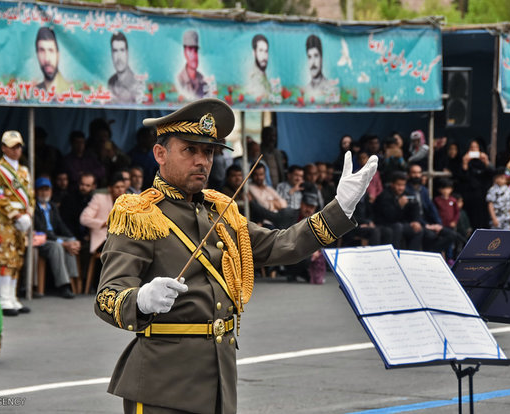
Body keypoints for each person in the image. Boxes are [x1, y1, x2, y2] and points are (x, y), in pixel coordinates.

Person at [94, 97, 378, 413]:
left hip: (218, 379)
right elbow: (108, 297)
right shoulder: (139, 214)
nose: (202, 160)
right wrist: (141, 300)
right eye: (190, 150)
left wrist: (339, 210)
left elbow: (278, 245)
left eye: (209, 152)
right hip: (163, 386)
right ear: (160, 153)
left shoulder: (221, 210)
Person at [0, 131, 34, 316]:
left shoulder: (24, 170)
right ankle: (3, 299)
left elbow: (30, 195)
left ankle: (12, 297)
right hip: (5, 220)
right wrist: (16, 216)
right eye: (13, 146)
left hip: (23, 220)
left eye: (19, 146)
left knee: (18, 257)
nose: (17, 150)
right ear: (4, 147)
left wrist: (29, 214)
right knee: (6, 256)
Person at [33, 177, 80, 298]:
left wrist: (73, 239)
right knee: (57, 246)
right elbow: (41, 229)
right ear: (36, 192)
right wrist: (62, 242)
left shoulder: (52, 206)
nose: (44, 193)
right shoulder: (33, 208)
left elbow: (61, 225)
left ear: (51, 191)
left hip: (53, 237)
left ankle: (72, 279)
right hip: (41, 239)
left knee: (70, 242)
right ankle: (63, 285)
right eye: (41, 190)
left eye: (47, 190)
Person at [108, 31, 142, 104]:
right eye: (115, 51)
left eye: (122, 50)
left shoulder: (137, 84)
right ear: (111, 54)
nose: (119, 57)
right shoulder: (110, 82)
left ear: (127, 53)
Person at [305, 34, 339, 104]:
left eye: (316, 56)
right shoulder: (305, 90)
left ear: (321, 59)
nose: (313, 62)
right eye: (309, 57)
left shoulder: (330, 89)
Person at [35, 27, 70, 93]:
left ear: (58, 55)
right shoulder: (33, 93)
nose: (47, 59)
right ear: (37, 55)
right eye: (42, 51)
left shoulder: (70, 91)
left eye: (51, 50)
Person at [176, 30, 207, 100]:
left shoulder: (203, 80)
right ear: (185, 53)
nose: (194, 55)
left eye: (195, 50)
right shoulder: (179, 80)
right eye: (190, 50)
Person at [246, 34, 271, 100]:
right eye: (261, 51)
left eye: (266, 51)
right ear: (254, 53)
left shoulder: (263, 74)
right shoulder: (252, 76)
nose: (264, 56)